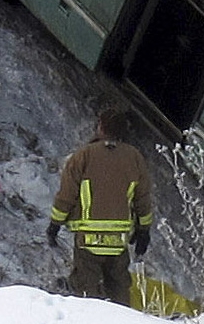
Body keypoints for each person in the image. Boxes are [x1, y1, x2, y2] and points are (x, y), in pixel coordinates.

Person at [47, 107, 154, 307]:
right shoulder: (135, 158)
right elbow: (143, 200)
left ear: (101, 127)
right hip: (119, 241)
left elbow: (66, 196)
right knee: (119, 291)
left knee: (86, 292)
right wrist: (143, 231)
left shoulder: (83, 156)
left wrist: (55, 224)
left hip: (88, 239)